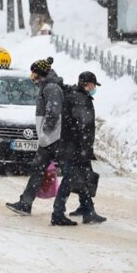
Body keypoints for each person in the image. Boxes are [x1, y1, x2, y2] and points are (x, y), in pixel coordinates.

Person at [6, 57, 64, 217]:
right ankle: (25, 203)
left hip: (52, 138)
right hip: (48, 138)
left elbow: (53, 112)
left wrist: (46, 131)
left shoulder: (51, 88)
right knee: (38, 169)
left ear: (39, 73)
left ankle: (82, 206)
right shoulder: (47, 86)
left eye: (33, 73)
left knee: (67, 172)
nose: (31, 76)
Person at [52, 71, 107, 226]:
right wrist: (84, 149)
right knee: (69, 180)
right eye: (93, 84)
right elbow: (83, 127)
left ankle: (87, 209)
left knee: (84, 177)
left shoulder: (75, 96)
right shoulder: (81, 100)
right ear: (86, 84)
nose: (94, 87)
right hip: (75, 148)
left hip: (73, 146)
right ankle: (57, 213)